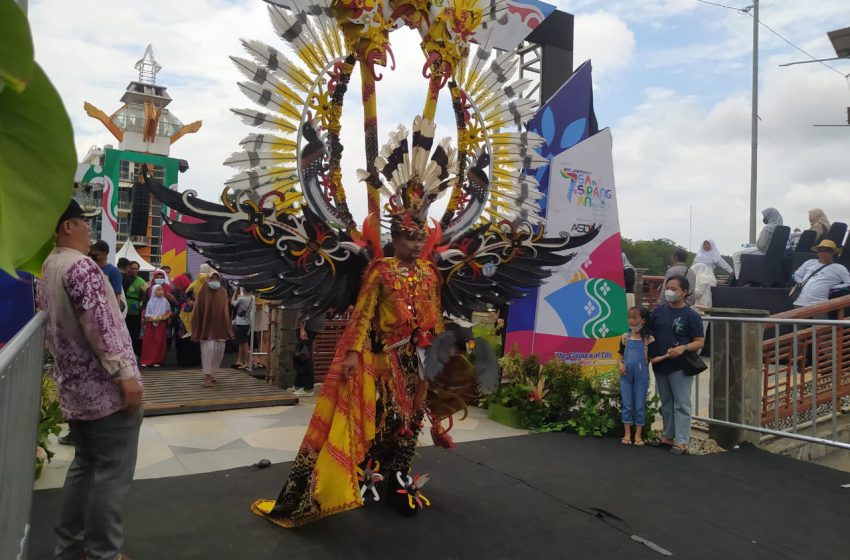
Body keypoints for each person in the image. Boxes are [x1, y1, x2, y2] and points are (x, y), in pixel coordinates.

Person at [252, 216, 444, 527]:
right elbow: (364, 314)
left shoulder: (429, 273)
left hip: (420, 359)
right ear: (395, 240)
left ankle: (398, 476)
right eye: (410, 238)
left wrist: (441, 347)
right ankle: (369, 470)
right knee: (386, 417)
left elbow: (435, 314)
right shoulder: (380, 272)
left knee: (413, 419)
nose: (418, 243)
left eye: (421, 237)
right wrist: (353, 353)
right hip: (386, 360)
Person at [38, 199, 143, 560]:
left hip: (75, 391)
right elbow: (103, 327)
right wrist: (125, 376)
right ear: (67, 226)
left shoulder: (49, 267)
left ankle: (70, 546)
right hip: (105, 392)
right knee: (111, 475)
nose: (89, 230)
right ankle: (104, 553)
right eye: (84, 222)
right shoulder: (81, 267)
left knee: (84, 468)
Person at [649, 275, 705, 455]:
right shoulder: (657, 312)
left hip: (680, 366)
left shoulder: (691, 315)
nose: (669, 291)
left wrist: (683, 348)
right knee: (666, 402)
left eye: (673, 288)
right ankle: (667, 436)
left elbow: (699, 341)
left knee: (681, 404)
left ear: (684, 292)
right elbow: (648, 333)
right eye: (668, 287)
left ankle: (682, 442)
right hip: (660, 364)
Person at [618, 306, 653, 446]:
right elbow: (620, 353)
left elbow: (654, 356)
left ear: (643, 320)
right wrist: (619, 364)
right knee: (627, 403)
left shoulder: (649, 339)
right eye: (629, 318)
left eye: (635, 318)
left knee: (639, 404)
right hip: (626, 372)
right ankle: (627, 433)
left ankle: (638, 434)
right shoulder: (625, 337)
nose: (631, 321)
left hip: (641, 373)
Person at [192, 270, 233, 387]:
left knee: (219, 351)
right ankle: (207, 376)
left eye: (216, 278)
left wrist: (227, 327)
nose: (214, 280)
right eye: (212, 278)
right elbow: (198, 309)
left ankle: (213, 372)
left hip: (220, 325)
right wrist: (197, 326)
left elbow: (225, 310)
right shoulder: (203, 291)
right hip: (206, 326)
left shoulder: (223, 292)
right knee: (208, 350)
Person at [791, 240, 850, 308]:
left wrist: (832, 288)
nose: (822, 253)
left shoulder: (840, 268)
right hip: (800, 302)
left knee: (820, 319)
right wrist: (803, 283)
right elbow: (796, 275)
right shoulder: (809, 262)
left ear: (833, 252)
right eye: (819, 250)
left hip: (820, 304)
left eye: (826, 250)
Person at [732, 207, 783, 277]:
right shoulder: (782, 228)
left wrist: (753, 245)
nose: (765, 218)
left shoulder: (767, 228)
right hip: (774, 254)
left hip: (764, 252)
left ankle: (739, 278)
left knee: (736, 255)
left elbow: (760, 246)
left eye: (765, 216)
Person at [291, 308, 327, 396]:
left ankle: (308, 387)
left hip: (308, 324)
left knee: (305, 356)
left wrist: (302, 328)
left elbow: (305, 307)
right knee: (302, 355)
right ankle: (298, 385)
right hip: (314, 322)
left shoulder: (306, 293)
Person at [140, 285, 172, 367]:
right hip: (150, 324)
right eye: (158, 290)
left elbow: (168, 312)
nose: (160, 292)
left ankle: (158, 360)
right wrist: (151, 318)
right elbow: (147, 314)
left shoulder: (165, 301)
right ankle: (146, 360)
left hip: (161, 324)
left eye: (161, 290)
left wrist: (161, 317)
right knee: (148, 342)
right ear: (154, 291)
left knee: (159, 341)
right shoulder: (150, 302)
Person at [88, 240, 124, 307]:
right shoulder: (87, 269)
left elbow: (116, 296)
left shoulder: (114, 271)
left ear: (104, 252)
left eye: (95, 250)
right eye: (90, 249)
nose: (91, 252)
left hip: (106, 310)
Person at [124, 261, 147, 356]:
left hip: (135, 312)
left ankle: (135, 353)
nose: (134, 270)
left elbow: (145, 296)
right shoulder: (123, 278)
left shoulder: (141, 281)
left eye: (136, 268)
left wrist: (140, 305)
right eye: (132, 268)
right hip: (123, 311)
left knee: (134, 333)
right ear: (128, 268)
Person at [231, 288, 254, 369]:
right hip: (247, 323)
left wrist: (234, 294)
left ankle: (247, 362)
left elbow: (233, 304)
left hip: (241, 323)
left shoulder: (241, 299)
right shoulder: (251, 299)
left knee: (244, 343)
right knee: (243, 342)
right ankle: (242, 361)